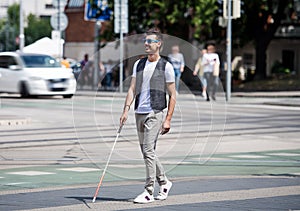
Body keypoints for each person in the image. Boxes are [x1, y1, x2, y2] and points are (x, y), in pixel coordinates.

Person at [120, 28, 176, 204]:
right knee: (147, 152)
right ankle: (165, 182)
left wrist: (167, 119)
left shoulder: (166, 66)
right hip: (139, 112)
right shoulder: (139, 64)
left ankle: (148, 191)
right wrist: (125, 110)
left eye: (150, 41)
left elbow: (173, 95)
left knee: (148, 151)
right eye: (145, 41)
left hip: (155, 112)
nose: (146, 43)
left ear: (158, 44)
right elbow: (132, 88)